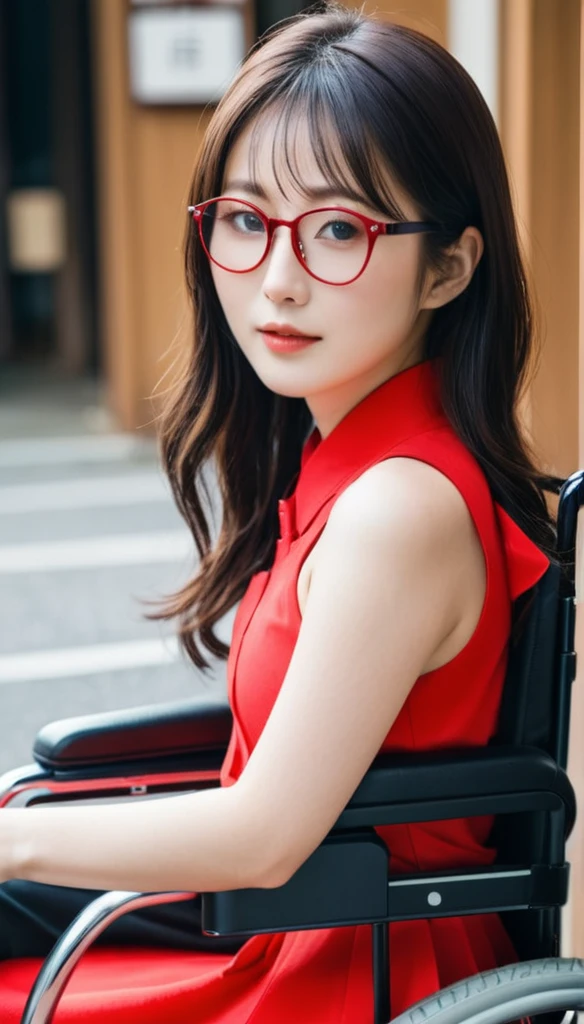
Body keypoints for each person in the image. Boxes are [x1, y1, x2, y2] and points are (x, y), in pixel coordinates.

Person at [0, 4, 555, 1022]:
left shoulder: (399, 504)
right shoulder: (344, 461)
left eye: (339, 227)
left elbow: (264, 834)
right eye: (247, 221)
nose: (278, 281)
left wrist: (14, 839)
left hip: (341, 960)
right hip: (283, 919)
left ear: (448, 266)